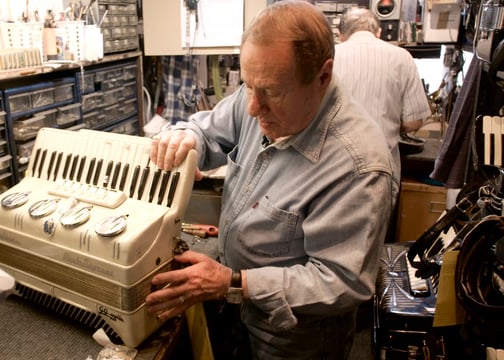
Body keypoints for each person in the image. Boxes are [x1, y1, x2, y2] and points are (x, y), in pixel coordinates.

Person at [145, 1, 398, 359]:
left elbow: (342, 281)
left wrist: (234, 282)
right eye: (249, 86)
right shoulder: (261, 91)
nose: (252, 107)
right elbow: (208, 130)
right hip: (236, 313)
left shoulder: (359, 165)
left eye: (272, 93)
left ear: (323, 76)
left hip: (293, 340)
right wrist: (188, 137)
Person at [334, 7, 431, 179]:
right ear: (378, 32)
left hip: (333, 166)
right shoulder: (402, 57)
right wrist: (386, 123)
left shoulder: (329, 56)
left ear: (340, 34)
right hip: (381, 169)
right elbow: (414, 122)